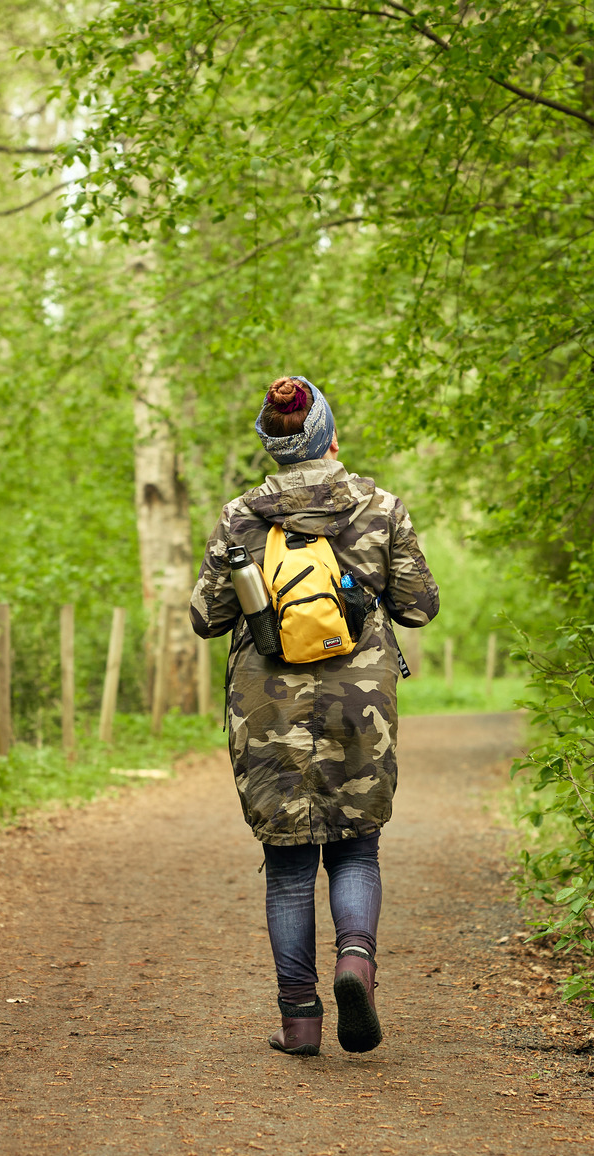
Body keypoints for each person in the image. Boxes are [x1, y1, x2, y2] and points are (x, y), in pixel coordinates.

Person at [189, 375, 439, 1056]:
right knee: (356, 849)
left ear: (272, 446)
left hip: (267, 708)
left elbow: (206, 617)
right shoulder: (380, 508)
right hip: (362, 705)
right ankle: (355, 961)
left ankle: (299, 1020)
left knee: (288, 866)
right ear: (329, 437)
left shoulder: (241, 516)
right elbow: (420, 607)